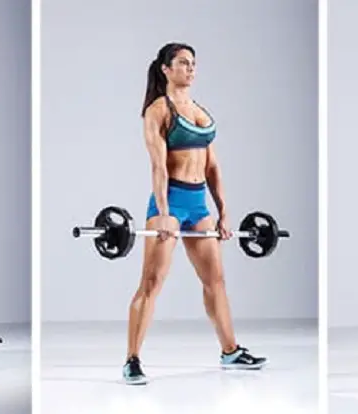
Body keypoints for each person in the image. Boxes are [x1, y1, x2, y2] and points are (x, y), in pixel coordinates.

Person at [121, 42, 267, 385]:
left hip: (199, 202)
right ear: (165, 69)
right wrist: (165, 215)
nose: (191, 69)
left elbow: (212, 165)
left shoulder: (200, 110)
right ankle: (132, 359)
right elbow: (158, 167)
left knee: (215, 281)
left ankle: (230, 351)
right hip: (169, 199)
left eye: (193, 63)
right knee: (152, 283)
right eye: (183, 63)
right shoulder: (158, 110)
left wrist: (224, 213)